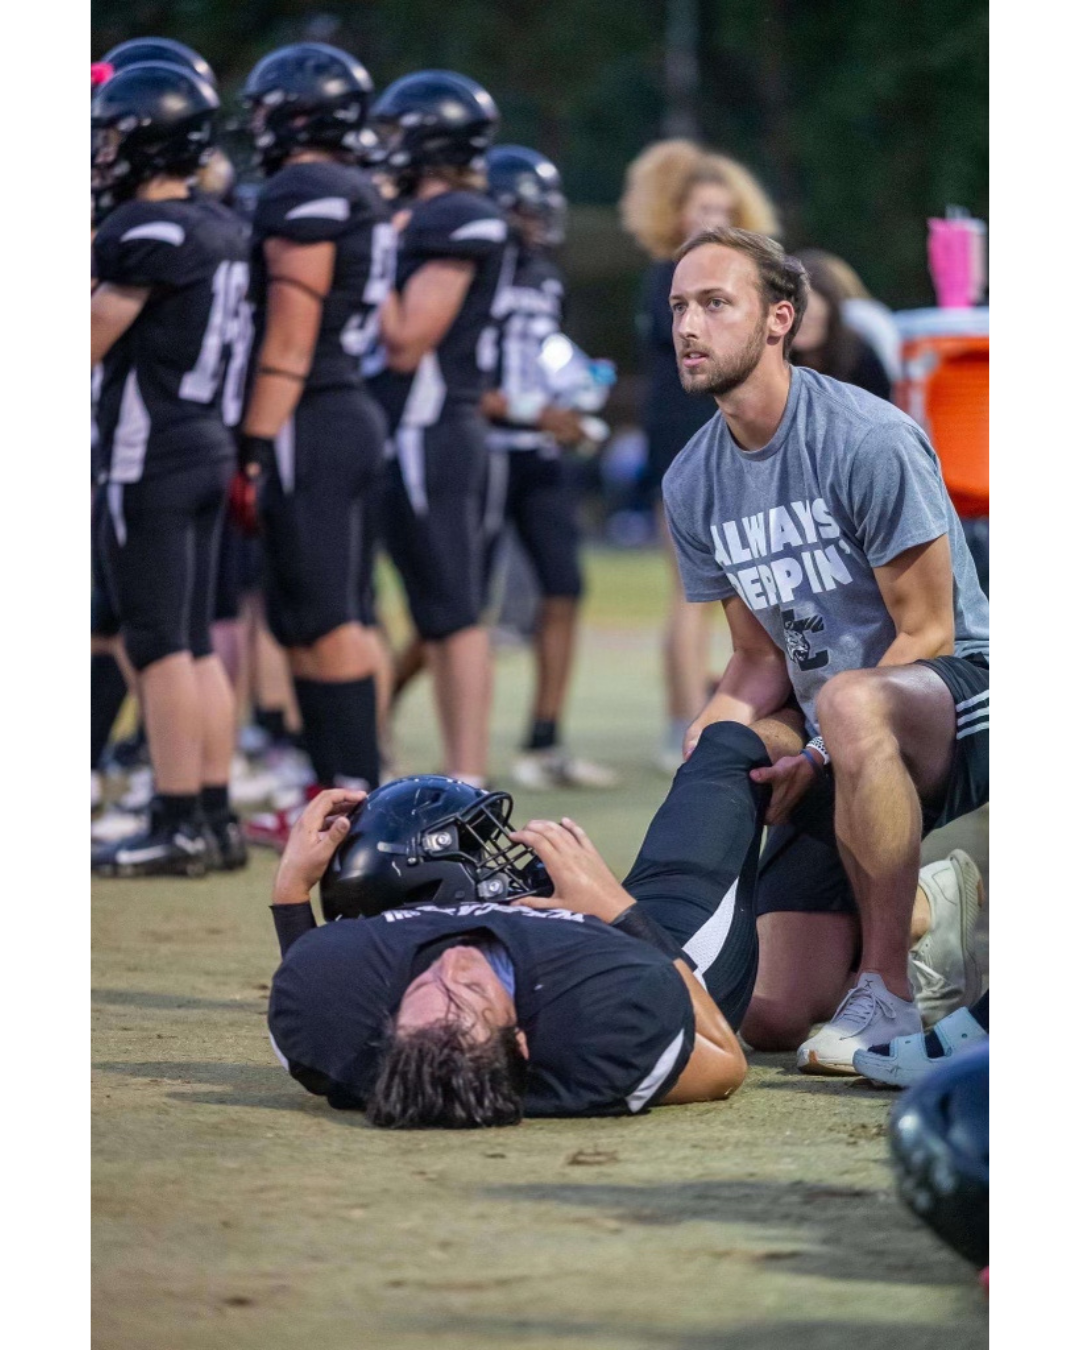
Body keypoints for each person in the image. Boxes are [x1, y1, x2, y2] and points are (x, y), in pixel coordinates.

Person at [663, 225, 990, 1074]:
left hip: (959, 692)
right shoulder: (691, 480)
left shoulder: (863, 437)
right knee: (772, 1015)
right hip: (841, 734)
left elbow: (930, 632)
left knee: (845, 700)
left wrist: (814, 747)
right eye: (678, 308)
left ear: (778, 319)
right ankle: (925, 908)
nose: (688, 327)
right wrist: (711, 753)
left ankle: (886, 992)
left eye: (713, 303)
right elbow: (758, 660)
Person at [266, 713, 784, 1126]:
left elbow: (313, 984)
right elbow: (723, 1061)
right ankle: (819, 736)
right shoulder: (600, 1026)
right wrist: (617, 910)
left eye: (419, 991)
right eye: (470, 995)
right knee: (727, 748)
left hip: (568, 937)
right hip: (651, 951)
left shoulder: (331, 1009)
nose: (453, 966)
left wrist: (291, 889)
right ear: (519, 1040)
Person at [90, 60, 251, 877]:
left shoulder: (139, 232)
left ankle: (177, 816)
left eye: (114, 132)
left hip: (145, 452)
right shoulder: (219, 222)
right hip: (204, 441)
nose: (103, 147)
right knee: (187, 642)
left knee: (157, 646)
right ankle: (212, 815)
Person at [237, 42, 394, 849]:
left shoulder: (306, 186)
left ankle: (357, 803)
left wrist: (254, 440)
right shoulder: (348, 184)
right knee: (308, 615)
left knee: (325, 617)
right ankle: (334, 791)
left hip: (310, 410)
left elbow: (291, 338)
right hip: (337, 408)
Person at [366, 71, 508, 787]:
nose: (383, 148)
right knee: (414, 605)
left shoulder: (458, 215)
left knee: (451, 610)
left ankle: (466, 780)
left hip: (428, 429)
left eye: (396, 133)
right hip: (398, 428)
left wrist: (369, 245)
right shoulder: (423, 212)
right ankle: (385, 765)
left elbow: (405, 339)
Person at [619, 140, 780, 773]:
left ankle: (737, 708)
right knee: (691, 593)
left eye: (722, 206)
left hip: (734, 442)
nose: (711, 217)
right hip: (681, 443)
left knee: (750, 588)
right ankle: (683, 723)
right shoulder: (673, 278)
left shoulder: (737, 281)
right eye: (699, 207)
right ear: (675, 214)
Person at [479, 144, 616, 791]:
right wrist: (534, 412)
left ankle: (544, 740)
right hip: (475, 451)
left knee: (563, 589)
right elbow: (456, 375)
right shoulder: (470, 265)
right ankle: (386, 720)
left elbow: (537, 361)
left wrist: (570, 407)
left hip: (533, 456)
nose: (539, 223)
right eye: (527, 211)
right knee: (454, 613)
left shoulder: (544, 277)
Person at [790, 251, 892, 400]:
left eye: (810, 317)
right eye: (794, 316)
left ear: (830, 316)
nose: (801, 324)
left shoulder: (858, 354)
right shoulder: (774, 357)